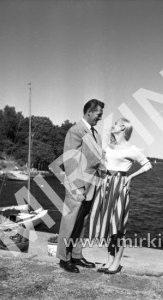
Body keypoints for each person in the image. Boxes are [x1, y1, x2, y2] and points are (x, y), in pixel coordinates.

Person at [89, 117, 152, 274]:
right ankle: (110, 259)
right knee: (108, 224)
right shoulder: (110, 147)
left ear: (123, 128)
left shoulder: (132, 149)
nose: (113, 126)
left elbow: (147, 165)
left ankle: (117, 262)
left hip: (119, 185)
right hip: (106, 184)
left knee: (118, 225)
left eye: (116, 124)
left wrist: (130, 177)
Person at [57, 99, 105, 273]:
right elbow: (70, 159)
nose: (100, 118)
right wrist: (78, 186)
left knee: (82, 221)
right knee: (70, 221)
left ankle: (76, 255)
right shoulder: (76, 130)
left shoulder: (96, 134)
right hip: (77, 184)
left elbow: (98, 159)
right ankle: (64, 258)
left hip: (92, 183)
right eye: (98, 114)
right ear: (89, 112)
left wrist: (107, 173)